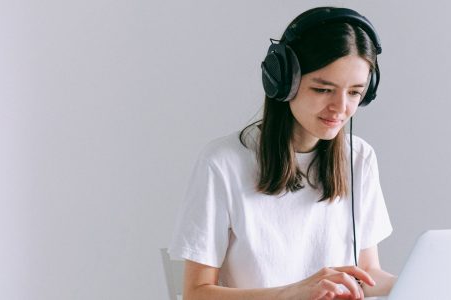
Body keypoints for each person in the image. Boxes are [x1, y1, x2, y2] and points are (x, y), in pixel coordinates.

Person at [169, 6, 396, 300]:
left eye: (354, 92)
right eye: (323, 89)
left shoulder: (358, 158)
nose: (341, 108)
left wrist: (432, 284)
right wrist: (296, 291)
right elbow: (196, 294)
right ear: (283, 81)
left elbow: (367, 274)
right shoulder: (222, 164)